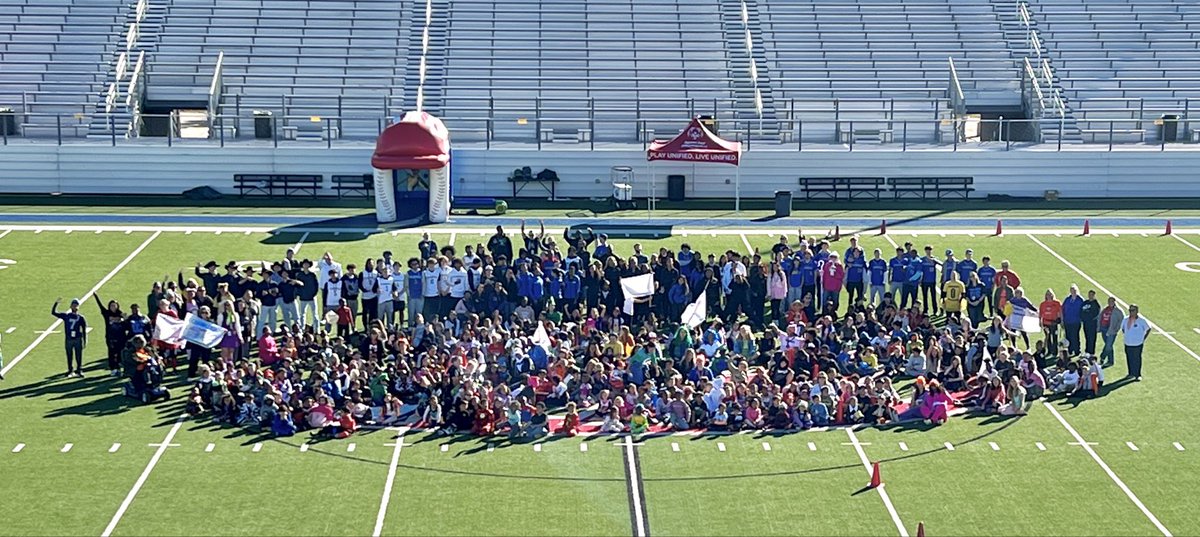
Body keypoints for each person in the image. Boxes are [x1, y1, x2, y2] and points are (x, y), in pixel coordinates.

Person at [52, 297, 88, 378]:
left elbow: (84, 330)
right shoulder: (66, 316)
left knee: (78, 356)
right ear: (71, 306)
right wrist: (56, 303)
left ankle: (79, 370)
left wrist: (85, 340)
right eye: (73, 305)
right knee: (69, 355)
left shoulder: (81, 318)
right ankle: (70, 370)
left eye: (76, 305)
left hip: (78, 338)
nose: (75, 307)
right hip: (69, 339)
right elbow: (53, 312)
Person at [1122, 304, 1150, 381]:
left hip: (1137, 343)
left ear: (1137, 311)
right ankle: (1131, 373)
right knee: (1129, 358)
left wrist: (1143, 338)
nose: (1131, 312)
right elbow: (1123, 329)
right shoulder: (1125, 319)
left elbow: (1148, 328)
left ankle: (1138, 374)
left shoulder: (1141, 320)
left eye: (1133, 310)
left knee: (1137, 359)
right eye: (1130, 310)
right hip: (1128, 343)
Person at [1098, 297, 1124, 367]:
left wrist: (1116, 329)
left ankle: (1102, 357)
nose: (1110, 303)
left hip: (1112, 330)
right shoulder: (1105, 309)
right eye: (1109, 301)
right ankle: (1110, 361)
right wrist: (1099, 327)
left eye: (1112, 301)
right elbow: (1100, 317)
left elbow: (1121, 320)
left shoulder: (1118, 311)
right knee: (1109, 345)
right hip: (1104, 329)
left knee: (1108, 346)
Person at [1061, 285, 1084, 356]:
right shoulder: (1068, 299)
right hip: (1067, 321)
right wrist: (1062, 320)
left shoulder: (1080, 300)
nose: (1073, 291)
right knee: (1068, 336)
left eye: (1074, 290)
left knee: (1075, 336)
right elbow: (1063, 309)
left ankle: (1077, 350)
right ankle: (1070, 350)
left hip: (1076, 321)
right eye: (1072, 290)